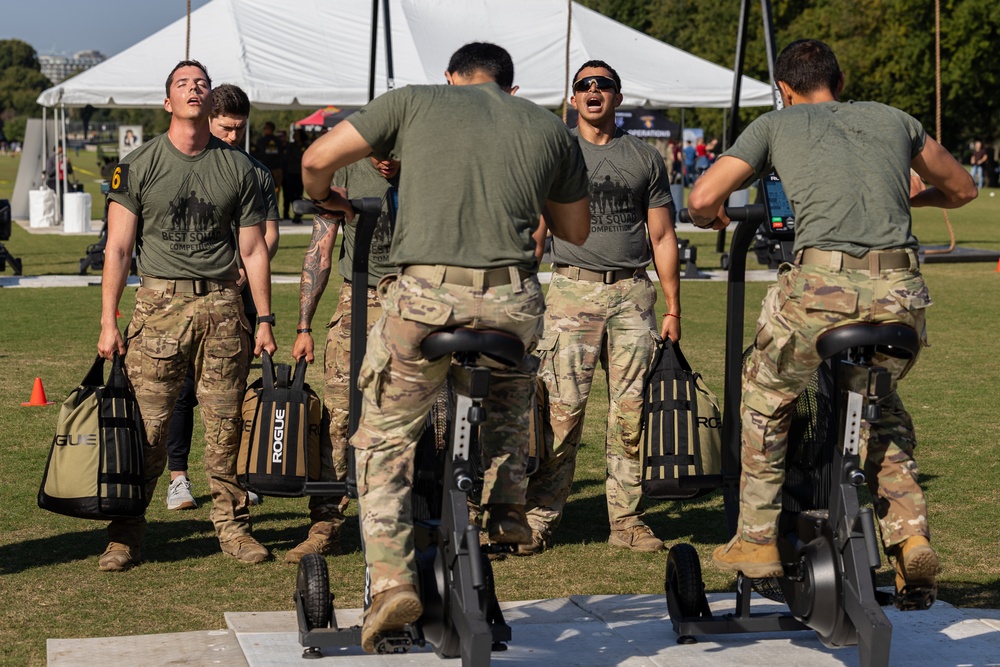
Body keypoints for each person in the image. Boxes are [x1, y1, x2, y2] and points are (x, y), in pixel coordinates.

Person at [300, 41, 590, 652]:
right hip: (513, 301)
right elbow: (574, 231)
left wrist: (326, 196)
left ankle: (390, 581)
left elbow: (317, 157)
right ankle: (509, 504)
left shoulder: (411, 102)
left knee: (383, 437)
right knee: (507, 397)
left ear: (452, 76)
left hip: (426, 296)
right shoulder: (547, 126)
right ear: (508, 85)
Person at [688, 39, 976, 602]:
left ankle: (755, 539)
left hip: (822, 293)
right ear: (839, 83)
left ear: (785, 90)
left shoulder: (776, 125)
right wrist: (905, 202)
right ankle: (910, 538)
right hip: (902, 297)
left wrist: (711, 214)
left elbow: (701, 197)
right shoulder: (897, 120)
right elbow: (961, 188)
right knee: (879, 404)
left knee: (765, 393)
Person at [96, 60, 277, 571]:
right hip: (158, 308)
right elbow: (118, 248)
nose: (194, 90)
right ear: (167, 101)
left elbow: (255, 250)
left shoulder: (237, 167)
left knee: (224, 427)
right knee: (147, 431)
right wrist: (109, 320)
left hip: (222, 307)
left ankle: (234, 529)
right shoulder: (137, 164)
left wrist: (264, 318)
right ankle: (125, 535)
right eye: (183, 84)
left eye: (201, 83)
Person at [521, 60, 680, 557]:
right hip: (572, 294)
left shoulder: (646, 158)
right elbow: (535, 235)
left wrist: (673, 306)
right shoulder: (554, 153)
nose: (593, 91)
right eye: (584, 85)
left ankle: (627, 521)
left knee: (631, 414)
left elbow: (662, 234)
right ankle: (539, 518)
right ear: (573, 99)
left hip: (633, 294)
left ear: (617, 96)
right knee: (561, 415)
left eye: (603, 85)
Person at [163, 83, 280, 514]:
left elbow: (269, 233)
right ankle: (178, 478)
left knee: (229, 393)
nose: (233, 137)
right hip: (188, 298)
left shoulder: (256, 172)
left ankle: (235, 480)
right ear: (208, 118)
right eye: (226, 128)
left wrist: (247, 274)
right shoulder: (189, 166)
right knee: (182, 393)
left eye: (239, 129)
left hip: (240, 299)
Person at [289, 155, 400, 564]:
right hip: (358, 299)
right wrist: (304, 326)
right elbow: (320, 247)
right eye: (378, 152)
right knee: (337, 418)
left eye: (394, 151)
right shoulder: (348, 171)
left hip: (417, 299)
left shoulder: (431, 163)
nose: (386, 161)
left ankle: (433, 521)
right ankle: (326, 526)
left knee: (430, 414)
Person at [253, 121, 285, 211]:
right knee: (272, 190)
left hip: (269, 169)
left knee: (273, 190)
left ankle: (270, 209)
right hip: (273, 169)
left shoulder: (262, 141)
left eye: (265, 128)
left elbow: (257, 154)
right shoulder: (278, 141)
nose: (264, 130)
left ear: (269, 129)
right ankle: (270, 209)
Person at [283, 129, 307, 222]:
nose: (295, 136)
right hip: (291, 173)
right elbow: (287, 158)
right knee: (289, 194)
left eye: (296, 134)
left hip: (300, 174)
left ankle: (298, 215)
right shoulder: (291, 146)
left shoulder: (305, 146)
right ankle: (287, 213)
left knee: (299, 195)